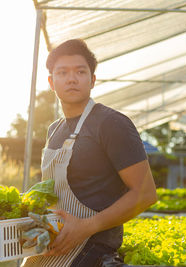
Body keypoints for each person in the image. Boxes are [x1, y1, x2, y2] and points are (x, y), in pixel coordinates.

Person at [21, 39, 157, 267]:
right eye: (62, 72)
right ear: (51, 82)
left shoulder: (111, 123)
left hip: (93, 250)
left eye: (80, 71)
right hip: (54, 245)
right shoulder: (55, 129)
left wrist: (87, 226)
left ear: (92, 80)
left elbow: (145, 194)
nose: (72, 78)